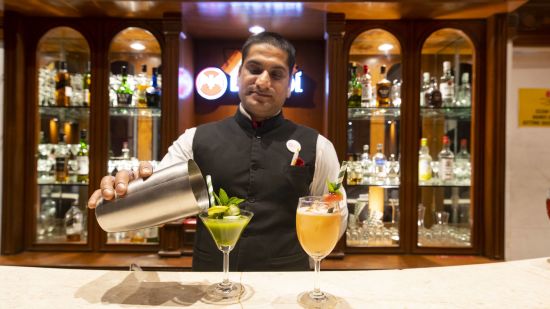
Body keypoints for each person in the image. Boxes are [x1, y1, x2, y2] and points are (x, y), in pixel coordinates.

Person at [88, 32, 347, 271]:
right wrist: (126, 191)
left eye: (277, 74)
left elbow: (336, 217)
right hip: (209, 280)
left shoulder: (319, 146)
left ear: (290, 84)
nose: (263, 81)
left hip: (285, 282)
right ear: (238, 76)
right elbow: (156, 200)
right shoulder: (194, 140)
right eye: (254, 69)